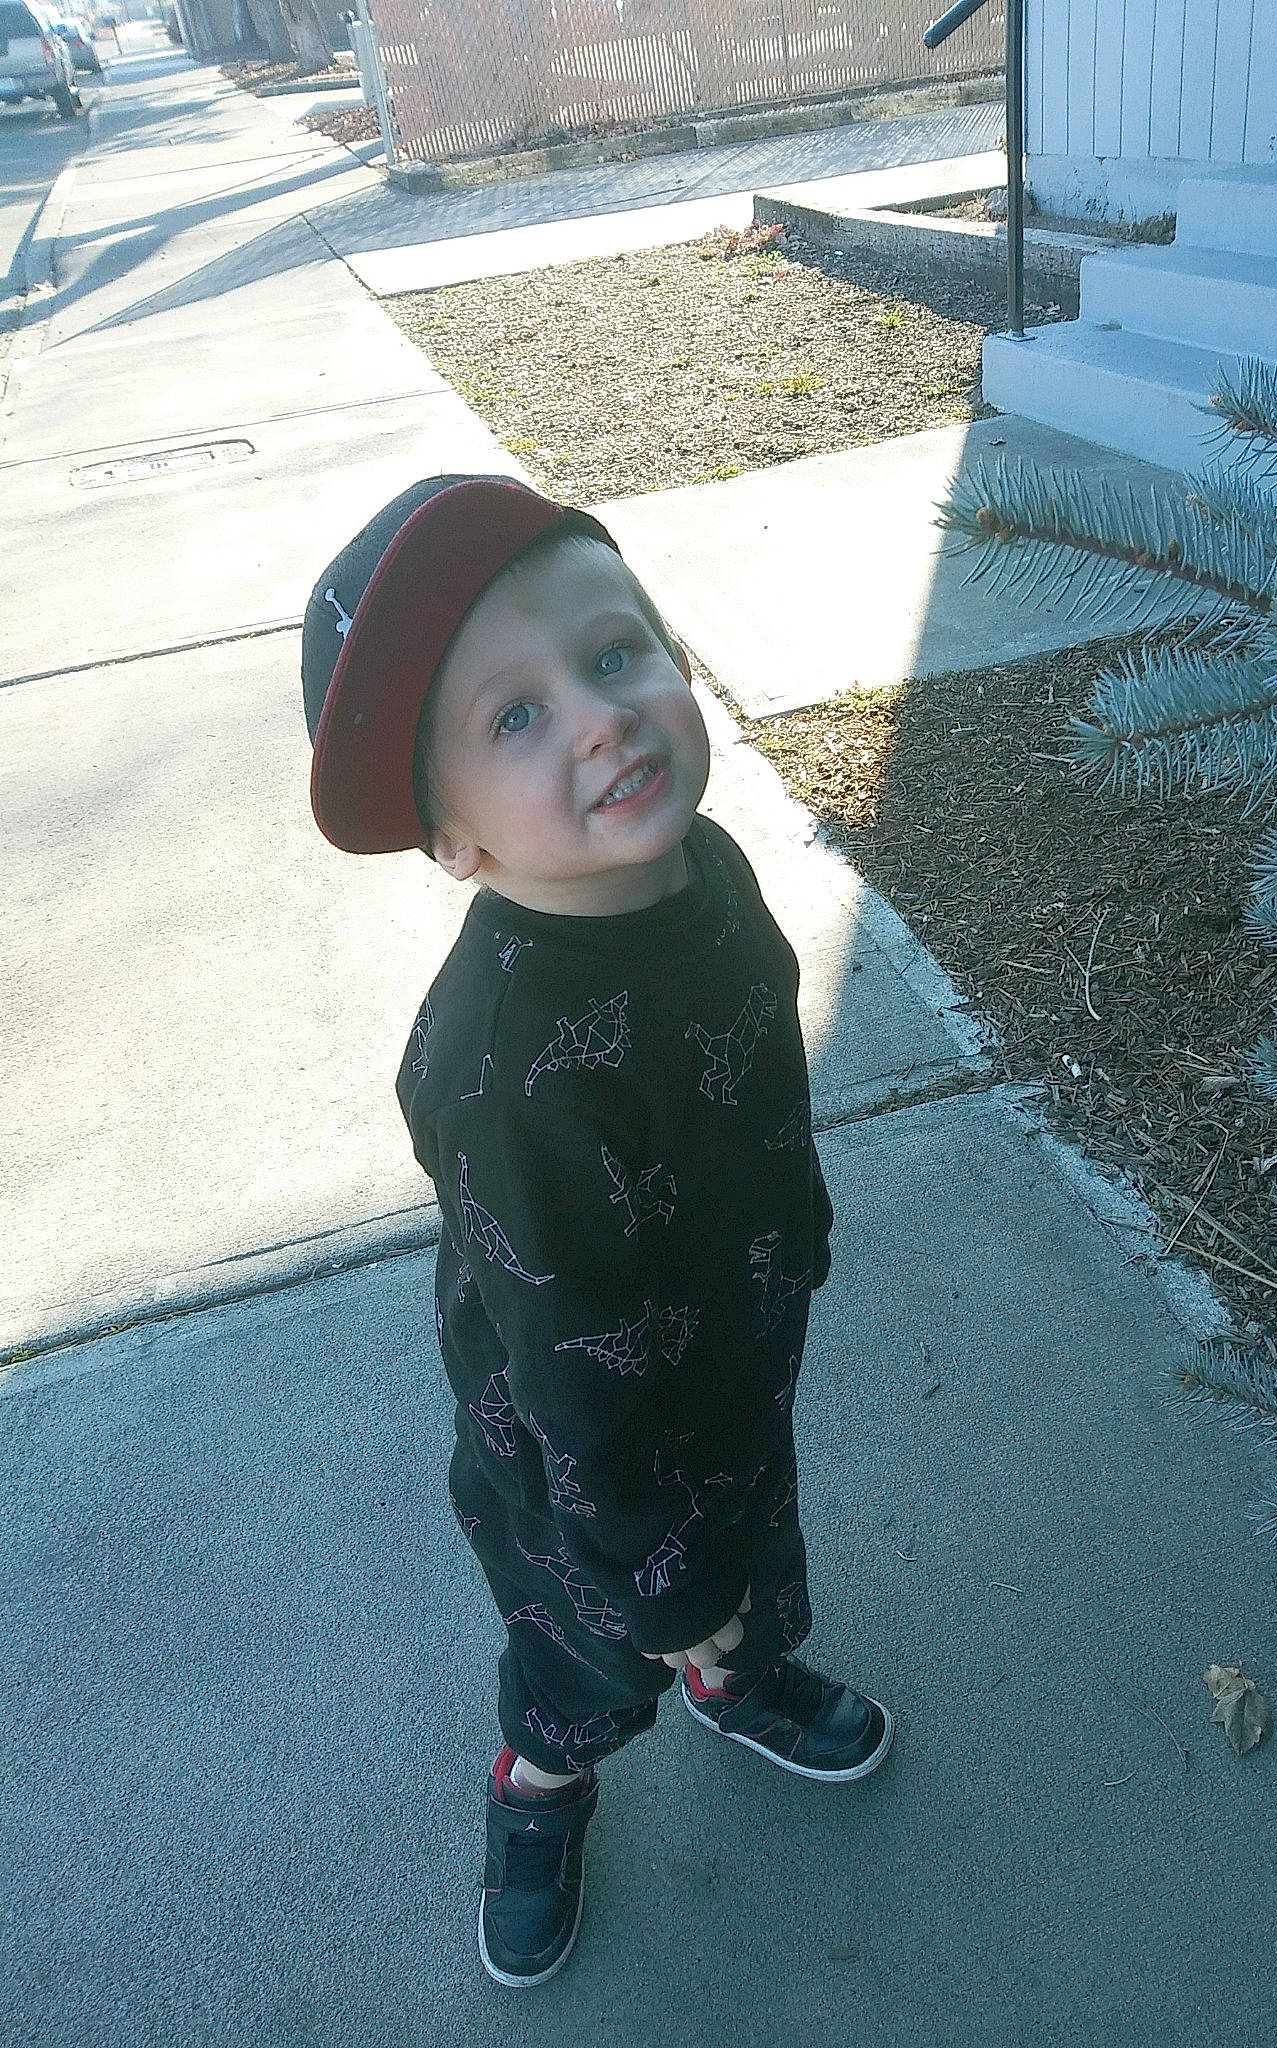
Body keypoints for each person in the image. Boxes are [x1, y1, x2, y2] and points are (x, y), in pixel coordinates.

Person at [301, 474, 893, 1989]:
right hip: (578, 1459)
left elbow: (761, 1076)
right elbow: (570, 1366)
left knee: (754, 1551)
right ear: (452, 841)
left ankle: (740, 1678)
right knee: (589, 1655)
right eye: (513, 718)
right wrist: (658, 1580)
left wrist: (795, 1238)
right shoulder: (507, 1070)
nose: (598, 717)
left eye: (616, 655)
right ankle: (541, 1790)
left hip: (733, 1354)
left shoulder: (698, 865)